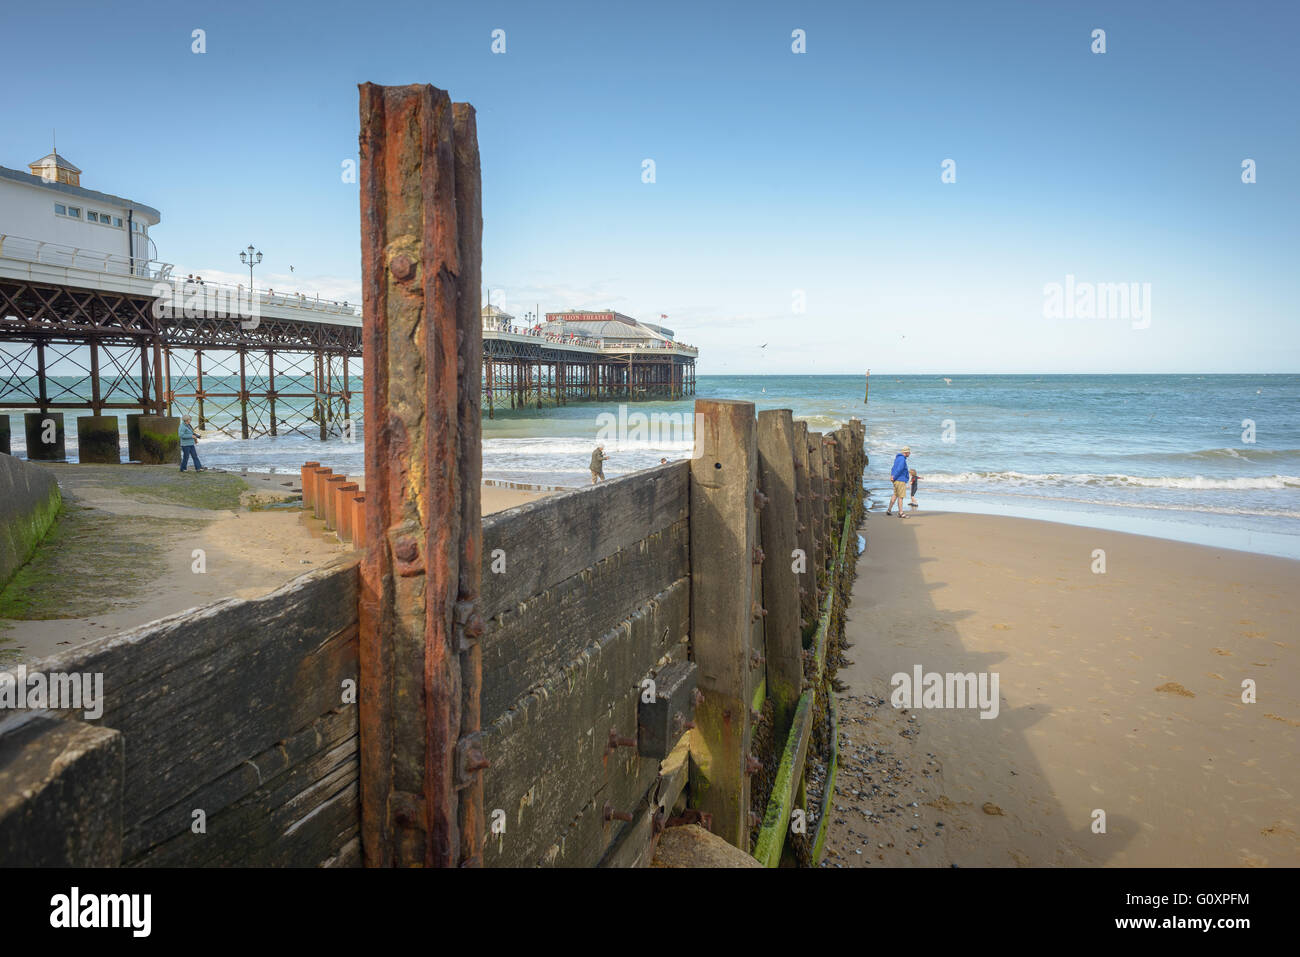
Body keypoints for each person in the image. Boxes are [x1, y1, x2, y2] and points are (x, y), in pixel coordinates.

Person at [885, 445, 910, 517]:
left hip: (896, 480)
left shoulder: (897, 458)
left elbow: (893, 468)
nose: (910, 454)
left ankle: (889, 510)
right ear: (906, 452)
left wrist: (892, 476)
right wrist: (894, 476)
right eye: (909, 452)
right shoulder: (902, 459)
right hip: (900, 480)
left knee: (895, 495)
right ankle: (901, 513)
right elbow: (900, 469)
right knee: (901, 497)